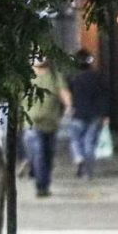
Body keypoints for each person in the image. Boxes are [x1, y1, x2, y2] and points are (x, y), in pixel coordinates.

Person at [22, 56, 71, 198]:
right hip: (31, 123)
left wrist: (68, 104)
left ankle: (44, 182)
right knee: (39, 153)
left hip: (51, 123)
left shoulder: (55, 76)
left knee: (48, 155)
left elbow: (63, 92)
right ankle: (41, 185)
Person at [66, 48, 109, 180]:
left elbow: (67, 95)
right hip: (94, 114)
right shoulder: (97, 77)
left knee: (75, 140)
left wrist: (68, 108)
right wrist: (105, 114)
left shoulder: (72, 78)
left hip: (77, 113)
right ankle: (87, 171)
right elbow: (104, 96)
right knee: (89, 143)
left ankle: (79, 157)